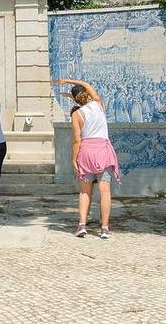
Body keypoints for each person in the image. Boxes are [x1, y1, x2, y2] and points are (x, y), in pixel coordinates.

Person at [55, 77, 120, 239]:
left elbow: (77, 140)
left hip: (86, 151)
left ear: (76, 100)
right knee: (105, 192)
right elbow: (88, 87)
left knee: (85, 192)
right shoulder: (98, 104)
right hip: (102, 151)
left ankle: (82, 225)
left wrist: (73, 159)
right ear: (86, 95)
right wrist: (68, 81)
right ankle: (104, 228)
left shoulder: (76, 114)